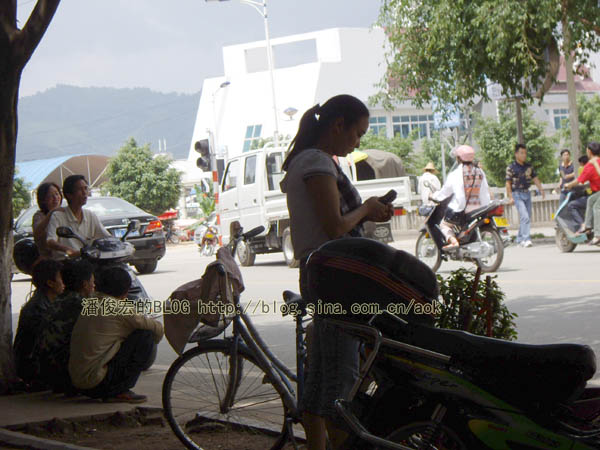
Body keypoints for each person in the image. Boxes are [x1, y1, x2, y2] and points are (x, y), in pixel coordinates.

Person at [280, 94, 393, 450]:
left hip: (320, 273)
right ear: (338, 125)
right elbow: (334, 225)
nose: (358, 141)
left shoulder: (308, 160)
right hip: (334, 278)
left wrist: (367, 211)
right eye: (357, 133)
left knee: (319, 377)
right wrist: (366, 209)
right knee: (342, 378)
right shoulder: (316, 162)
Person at [69, 266, 163, 403]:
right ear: (126, 291)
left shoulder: (92, 302)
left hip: (78, 381)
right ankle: (120, 390)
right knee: (145, 335)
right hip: (96, 382)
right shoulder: (119, 308)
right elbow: (157, 329)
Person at [36, 259, 95, 394]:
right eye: (93, 282)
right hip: (65, 372)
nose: (94, 285)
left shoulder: (58, 300)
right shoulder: (83, 304)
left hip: (47, 371)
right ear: (85, 285)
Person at [13, 259, 64, 386]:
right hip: (34, 368)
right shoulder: (37, 309)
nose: (66, 283)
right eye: (62, 279)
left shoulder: (51, 301)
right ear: (50, 283)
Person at [432, 145, 491, 250]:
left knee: (444, 225)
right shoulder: (479, 171)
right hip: (481, 208)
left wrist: (434, 196)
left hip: (462, 210)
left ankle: (454, 242)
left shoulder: (456, 174)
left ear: (459, 158)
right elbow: (485, 189)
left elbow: (444, 193)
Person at [46, 175, 110, 259]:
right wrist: (68, 250)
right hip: (66, 264)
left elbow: (106, 236)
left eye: (85, 188)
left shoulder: (90, 215)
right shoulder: (58, 216)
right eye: (80, 189)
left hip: (89, 261)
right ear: (69, 195)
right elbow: (50, 241)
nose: (84, 193)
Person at [505, 143, 546, 247]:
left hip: (527, 193)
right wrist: (510, 196)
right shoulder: (511, 167)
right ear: (516, 154)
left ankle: (519, 239)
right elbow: (508, 183)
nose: (524, 155)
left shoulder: (529, 167)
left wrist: (541, 189)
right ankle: (526, 239)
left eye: (525, 153)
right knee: (525, 217)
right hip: (517, 194)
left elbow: (535, 178)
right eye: (521, 153)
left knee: (526, 217)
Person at [565, 142, 600, 245]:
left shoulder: (591, 164)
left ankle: (597, 235)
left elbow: (580, 180)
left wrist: (569, 185)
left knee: (596, 207)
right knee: (590, 200)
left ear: (589, 151)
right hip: (596, 192)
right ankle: (587, 226)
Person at [32, 182, 64, 258]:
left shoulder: (63, 213)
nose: (55, 198)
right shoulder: (39, 216)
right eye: (50, 196)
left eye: (57, 194)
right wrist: (51, 213)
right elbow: (37, 233)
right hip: (49, 260)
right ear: (43, 200)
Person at [565, 155, 591, 229]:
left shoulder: (585, 169)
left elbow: (580, 181)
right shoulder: (595, 167)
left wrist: (570, 185)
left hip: (592, 196)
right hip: (591, 194)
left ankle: (583, 225)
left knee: (571, 205)